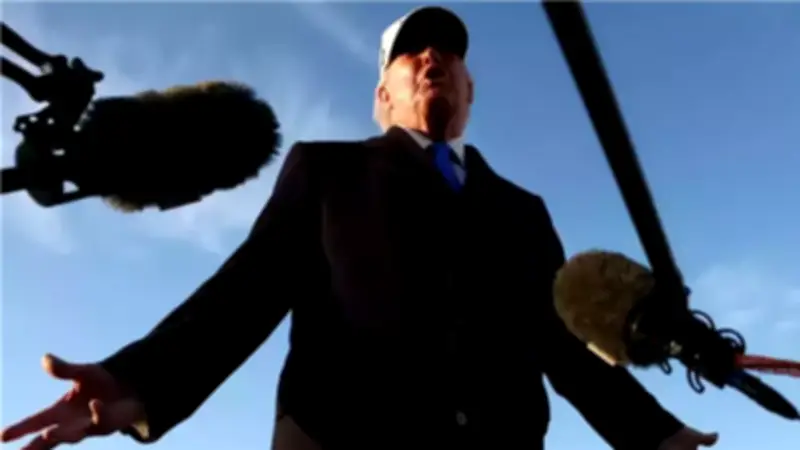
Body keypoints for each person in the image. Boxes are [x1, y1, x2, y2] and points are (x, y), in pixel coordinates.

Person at [1, 6, 720, 450]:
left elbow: (560, 344)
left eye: (449, 52)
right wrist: (140, 380)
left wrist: (657, 434)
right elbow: (246, 290)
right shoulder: (326, 170)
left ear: (470, 90)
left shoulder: (522, 210)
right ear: (384, 94)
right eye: (412, 52)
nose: (433, 58)